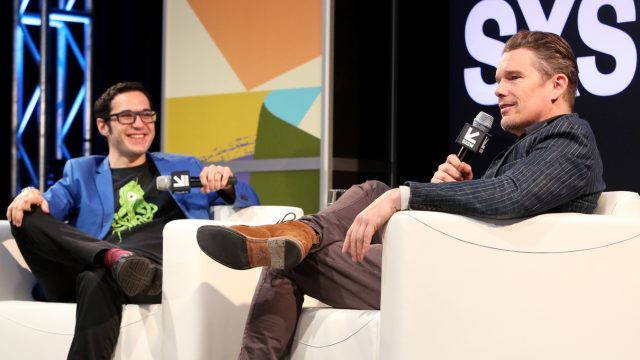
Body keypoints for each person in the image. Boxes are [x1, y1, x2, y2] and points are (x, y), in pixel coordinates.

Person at [196, 29, 605, 358]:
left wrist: (407, 196)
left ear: (557, 84)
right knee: (356, 200)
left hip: (475, 285)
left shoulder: (569, 137)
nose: (498, 90)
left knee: (295, 252)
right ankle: (304, 232)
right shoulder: (532, 145)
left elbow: (512, 196)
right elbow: (512, 207)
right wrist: (455, 198)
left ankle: (301, 236)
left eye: (513, 77)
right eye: (497, 79)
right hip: (463, 269)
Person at [5, 81, 260, 360]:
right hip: (91, 271)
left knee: (97, 277)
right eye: (127, 116)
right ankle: (111, 256)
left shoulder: (183, 167)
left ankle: (112, 261)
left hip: (152, 276)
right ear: (104, 126)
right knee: (27, 216)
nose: (140, 124)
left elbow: (250, 201)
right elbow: (47, 205)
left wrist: (227, 185)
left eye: (146, 115)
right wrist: (28, 193)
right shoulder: (82, 172)